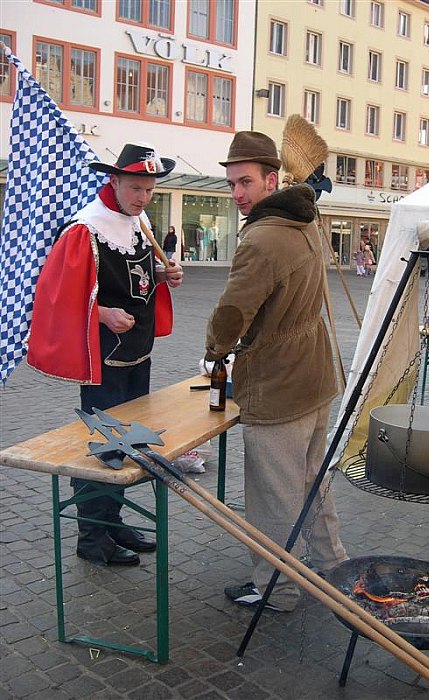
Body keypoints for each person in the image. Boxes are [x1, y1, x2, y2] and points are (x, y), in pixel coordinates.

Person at [205, 131, 347, 613]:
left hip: (279, 384)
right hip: (315, 374)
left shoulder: (264, 237)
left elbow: (231, 314)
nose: (237, 193)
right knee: (312, 481)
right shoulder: (304, 220)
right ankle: (332, 566)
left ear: (272, 179)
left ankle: (277, 588)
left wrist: (213, 352)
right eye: (231, 184)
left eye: (245, 182)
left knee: (274, 497)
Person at [27, 143, 184, 566]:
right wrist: (102, 313)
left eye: (149, 190)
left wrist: (164, 274)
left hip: (137, 354)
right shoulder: (86, 230)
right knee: (103, 448)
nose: (143, 198)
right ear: (113, 181)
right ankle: (93, 538)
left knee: (127, 447)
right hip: (105, 361)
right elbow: (56, 296)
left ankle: (113, 525)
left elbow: (135, 277)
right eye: (135, 188)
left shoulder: (138, 222)